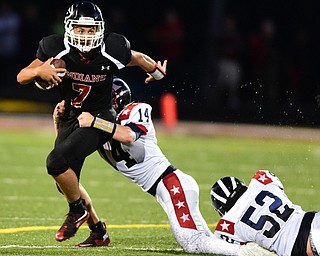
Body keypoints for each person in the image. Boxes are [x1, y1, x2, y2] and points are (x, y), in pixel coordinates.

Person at [55, 77, 274, 255]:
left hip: (171, 184)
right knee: (206, 242)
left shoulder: (133, 110)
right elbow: (65, 160)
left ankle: (250, 253)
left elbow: (129, 135)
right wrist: (60, 122)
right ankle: (244, 246)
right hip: (165, 189)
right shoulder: (99, 128)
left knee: (192, 243)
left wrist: (95, 121)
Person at [17, 1, 166, 243]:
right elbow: (21, 75)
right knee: (65, 181)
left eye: (90, 30)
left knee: (55, 163)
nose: (85, 35)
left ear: (100, 29)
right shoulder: (55, 48)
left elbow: (138, 58)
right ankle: (98, 230)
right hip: (70, 114)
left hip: (98, 117)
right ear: (68, 28)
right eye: (80, 29)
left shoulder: (113, 48)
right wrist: (37, 73)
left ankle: (77, 210)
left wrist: (157, 73)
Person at [210, 169, 320, 256]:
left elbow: (225, 247)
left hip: (301, 244)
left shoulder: (229, 224)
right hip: (312, 218)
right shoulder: (260, 181)